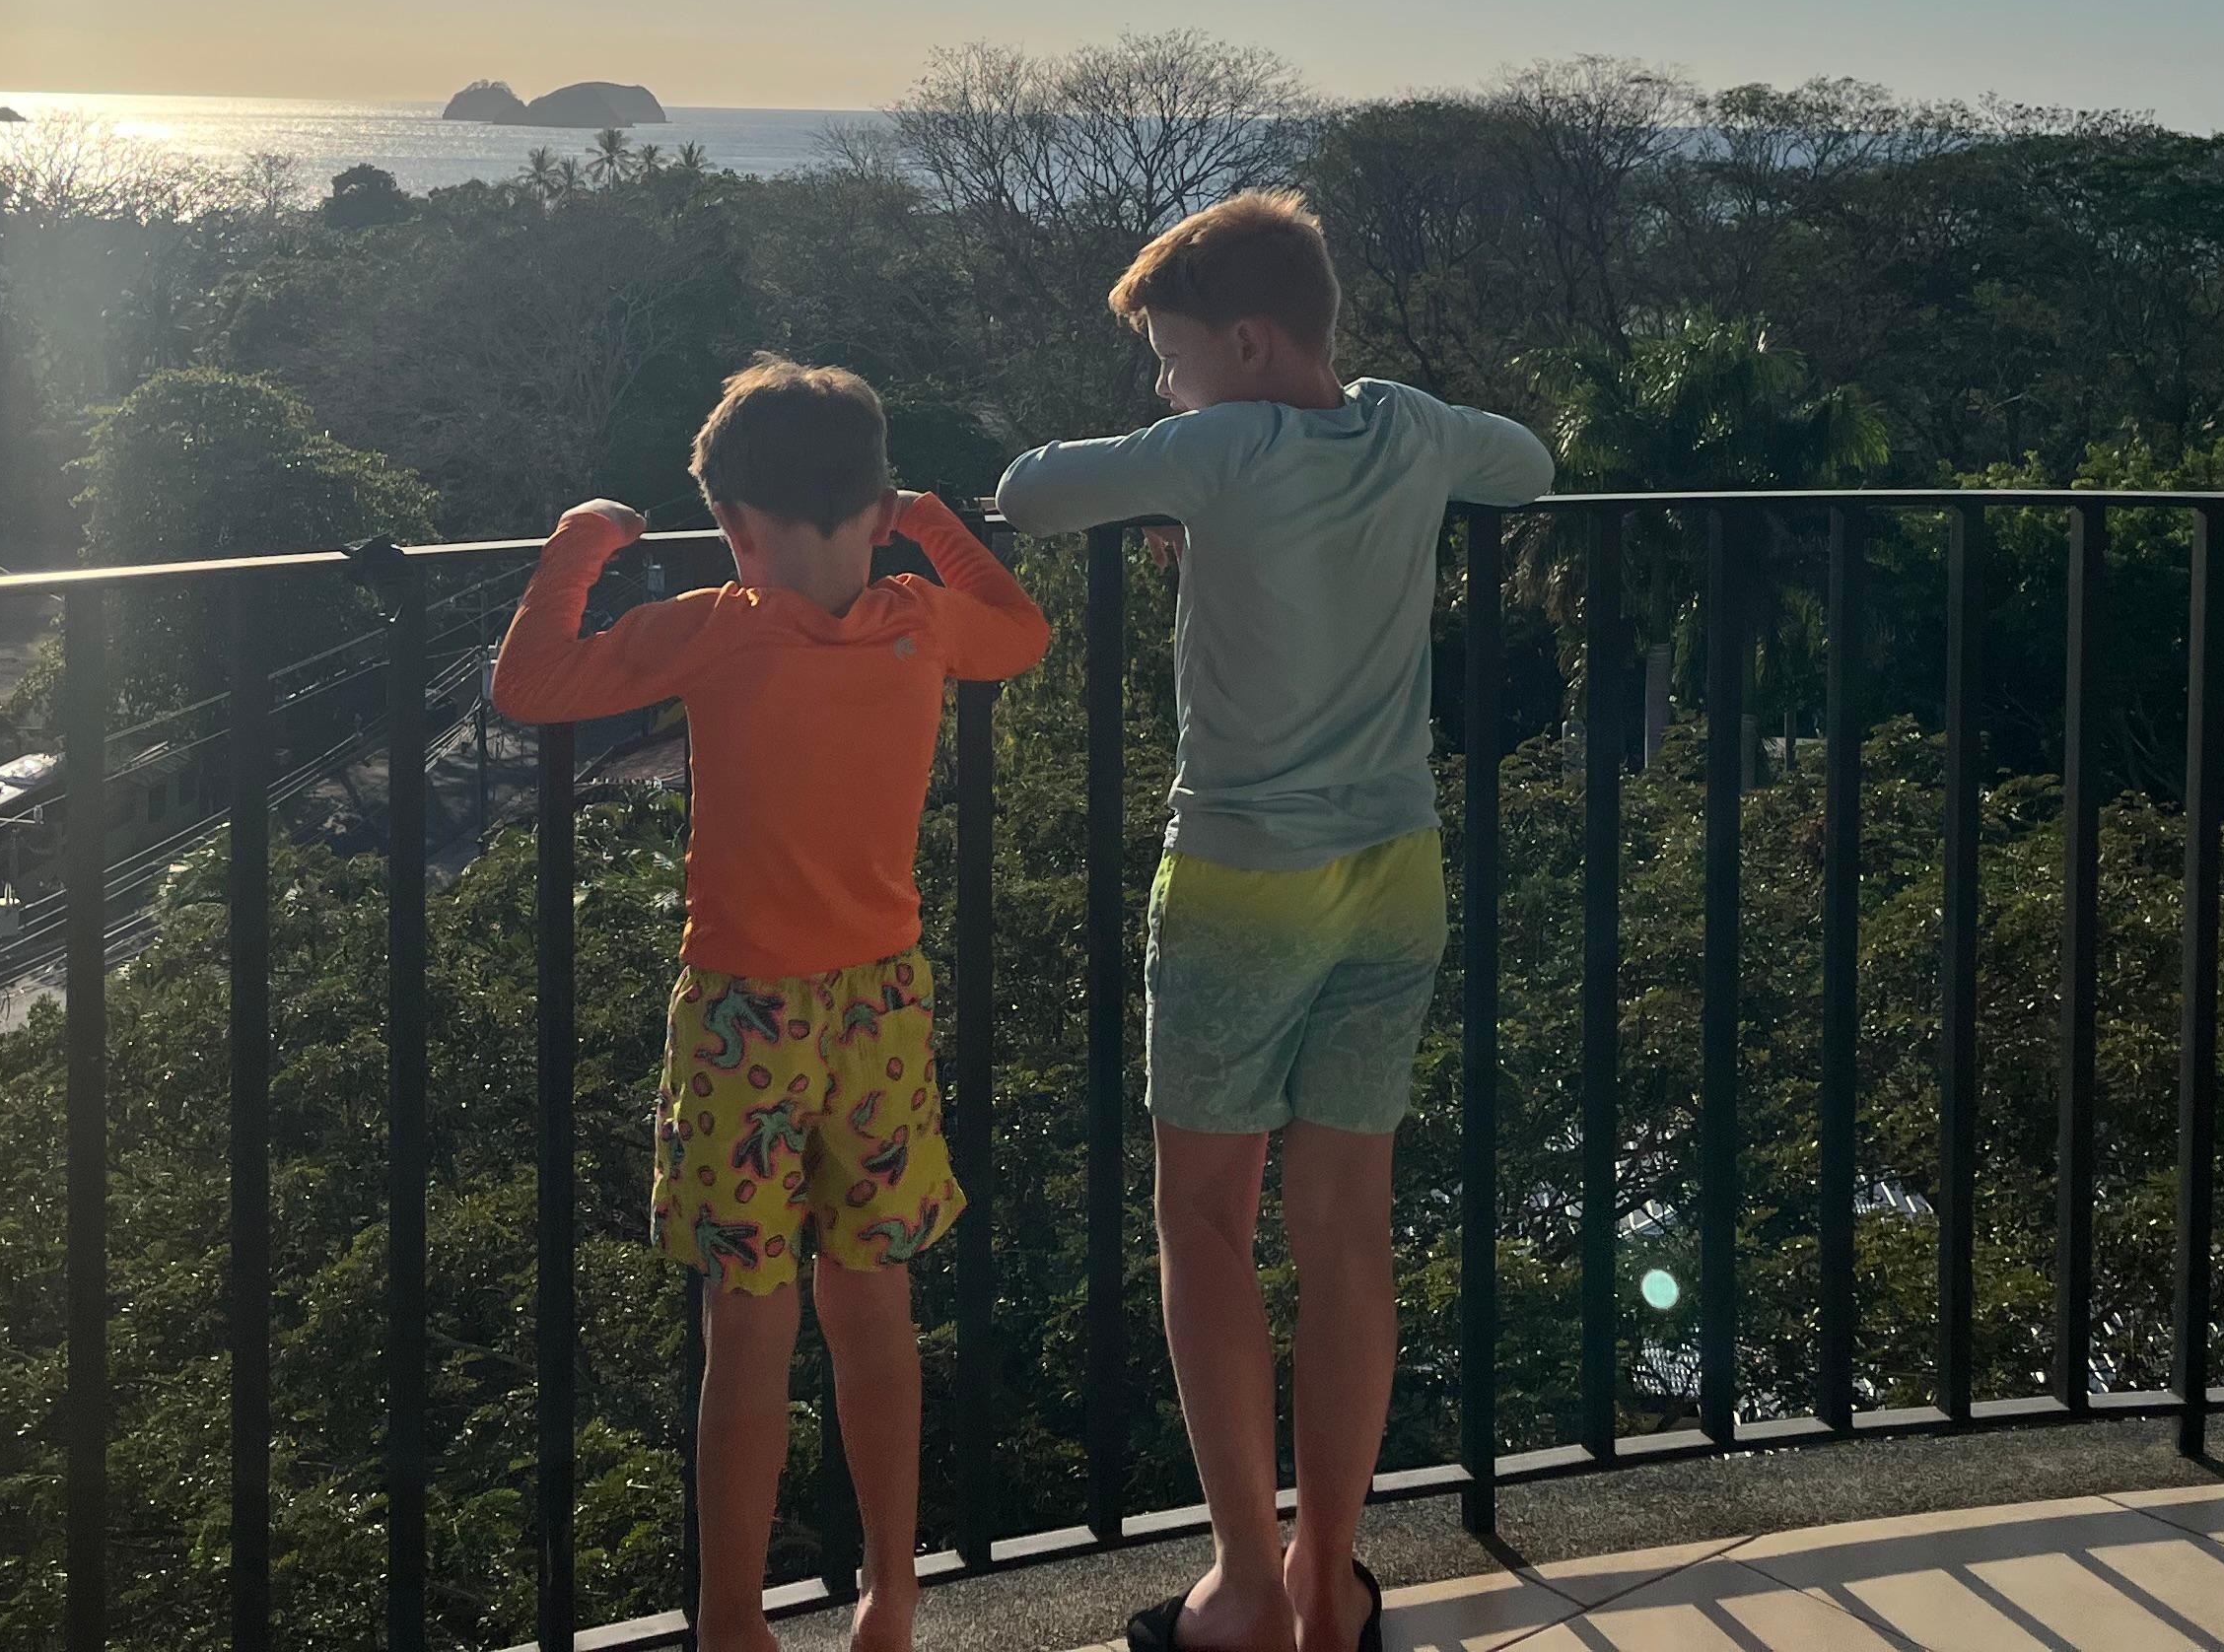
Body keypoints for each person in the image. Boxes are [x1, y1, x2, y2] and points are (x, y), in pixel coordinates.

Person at [996, 194, 1553, 1652]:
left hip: (1246, 883)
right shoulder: (1411, 428)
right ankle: (1331, 1579)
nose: (1166, 392)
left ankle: (1242, 1588)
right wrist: (1386, 437)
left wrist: (1188, 476)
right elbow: (1535, 466)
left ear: (1243, 344)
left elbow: (1029, 491)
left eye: (1173, 362)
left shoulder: (1223, 444)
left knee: (1206, 1221)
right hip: (1396, 872)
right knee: (1348, 1230)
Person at [494, 356, 1051, 1652]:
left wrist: (577, 548)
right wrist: (936, 529)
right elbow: (1021, 632)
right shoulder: (921, 618)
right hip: (884, 1007)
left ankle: (732, 1621)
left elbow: (531, 686)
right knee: (876, 1309)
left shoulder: (718, 624)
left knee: (747, 1328)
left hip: (746, 1016)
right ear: (876, 502)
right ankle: (892, 1596)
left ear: (735, 530)